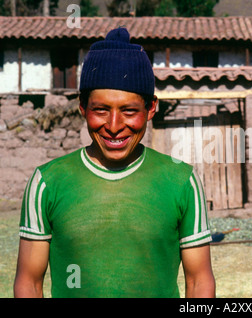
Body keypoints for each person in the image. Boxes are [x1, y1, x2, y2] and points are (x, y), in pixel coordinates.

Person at [14, 27, 215, 298]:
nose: (114, 126)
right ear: (83, 107)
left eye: (129, 111)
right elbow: (29, 283)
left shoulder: (182, 182)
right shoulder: (47, 182)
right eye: (101, 110)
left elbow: (199, 282)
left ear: (151, 108)